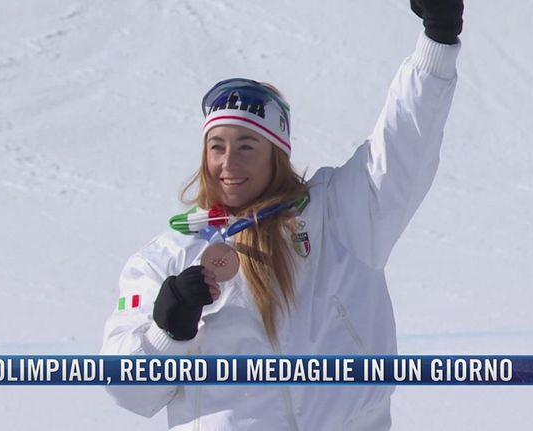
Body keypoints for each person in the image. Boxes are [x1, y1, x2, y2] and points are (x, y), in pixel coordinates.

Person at [101, 1, 464, 429]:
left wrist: (437, 41)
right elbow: (129, 392)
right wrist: (167, 334)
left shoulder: (339, 215)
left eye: (247, 146)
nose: (229, 162)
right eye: (217, 146)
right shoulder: (167, 257)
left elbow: (404, 145)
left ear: (276, 154)